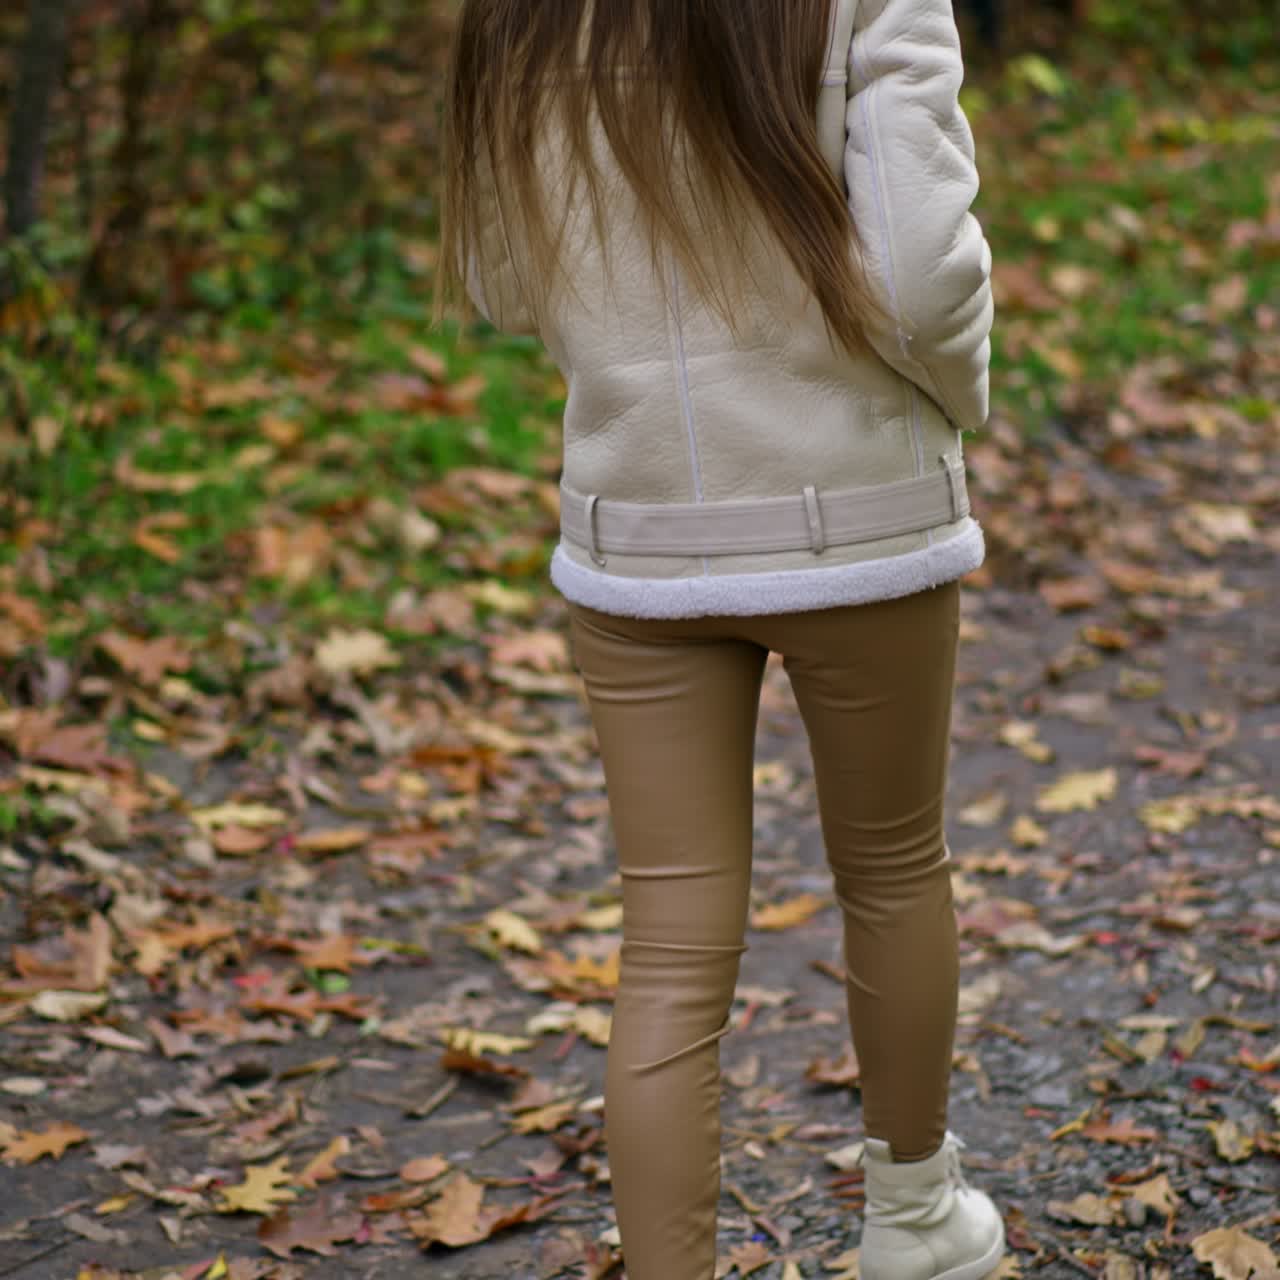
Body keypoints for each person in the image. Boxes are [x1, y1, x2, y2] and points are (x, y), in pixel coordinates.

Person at [437, 3, 1005, 1278]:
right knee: (894, 869)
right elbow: (920, 273)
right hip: (859, 517)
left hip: (634, 530)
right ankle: (915, 1220)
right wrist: (959, 398)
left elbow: (500, 274)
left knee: (672, 936)